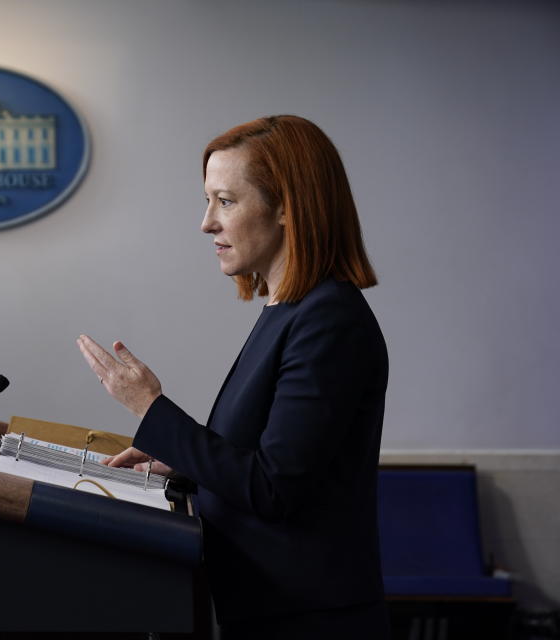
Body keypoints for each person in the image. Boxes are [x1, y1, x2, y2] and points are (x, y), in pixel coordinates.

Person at [77, 115, 389, 639]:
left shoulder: (328, 319)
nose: (207, 223)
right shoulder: (289, 312)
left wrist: (150, 408)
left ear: (288, 205)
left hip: (309, 621)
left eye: (225, 201)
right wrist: (182, 467)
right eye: (209, 201)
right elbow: (268, 464)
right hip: (269, 610)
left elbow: (273, 489)